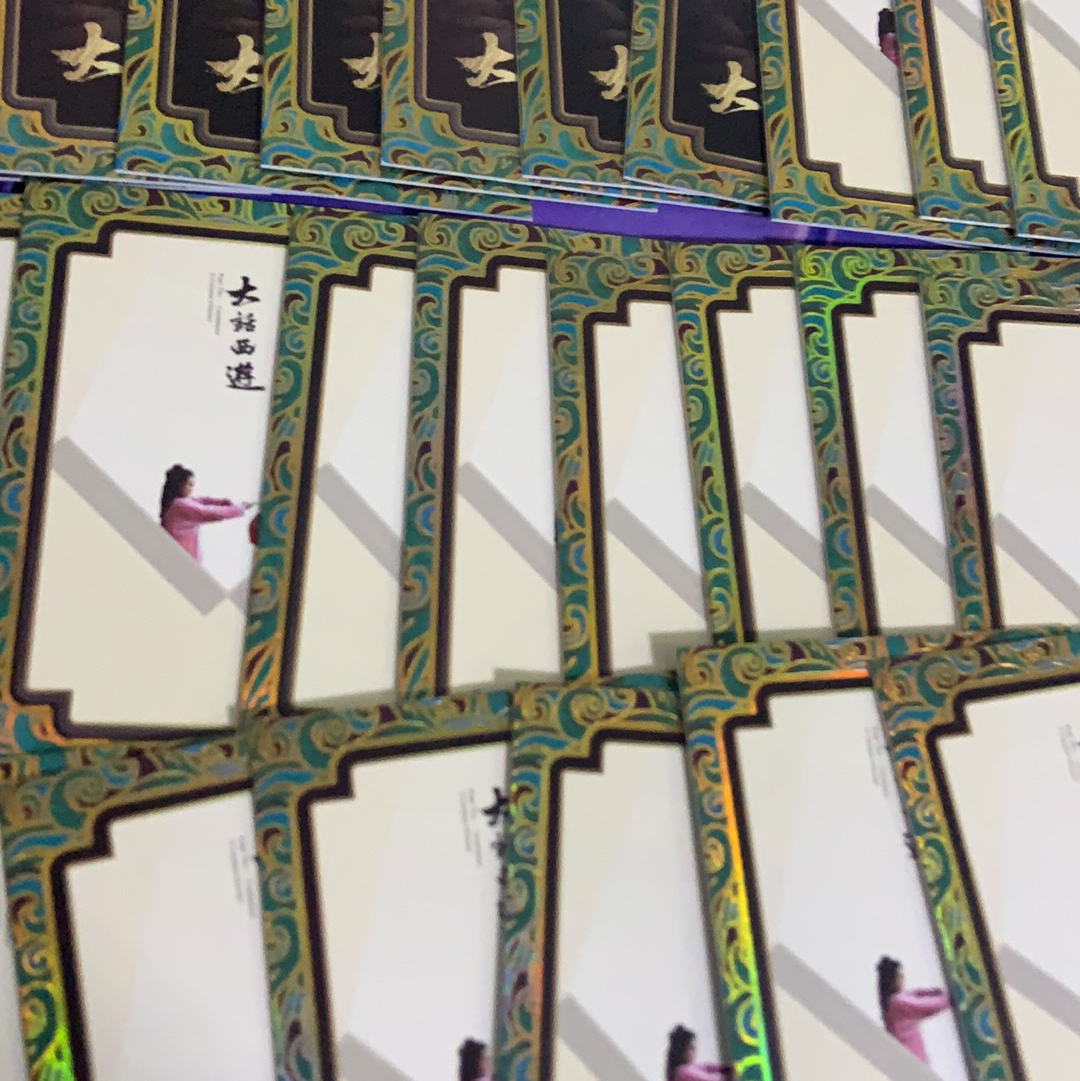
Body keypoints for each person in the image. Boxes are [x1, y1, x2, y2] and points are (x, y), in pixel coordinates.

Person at [159, 464, 253, 562]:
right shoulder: (180, 505)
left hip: (179, 557)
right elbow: (210, 513)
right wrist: (239, 508)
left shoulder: (176, 503)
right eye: (190, 485)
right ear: (179, 485)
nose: (192, 488)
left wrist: (222, 503)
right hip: (180, 558)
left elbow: (202, 501)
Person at [877, 955, 951, 1064]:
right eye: (900, 977)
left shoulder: (890, 1002)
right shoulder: (897, 1002)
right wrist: (948, 999)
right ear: (892, 980)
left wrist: (931, 992)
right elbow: (925, 1006)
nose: (902, 980)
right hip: (913, 1058)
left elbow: (915, 993)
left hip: (910, 1059)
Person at [665, 1026, 734, 1081]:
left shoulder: (683, 1069)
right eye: (690, 1048)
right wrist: (725, 1077)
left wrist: (722, 1069)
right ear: (682, 1051)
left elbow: (705, 1067)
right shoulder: (682, 1071)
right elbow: (707, 1079)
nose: (694, 1050)